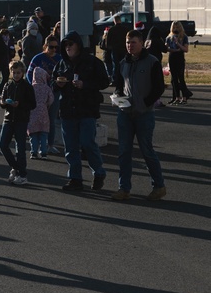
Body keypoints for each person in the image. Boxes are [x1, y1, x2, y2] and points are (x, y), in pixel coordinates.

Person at [111, 30, 167, 201]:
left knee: (147, 150)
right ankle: (124, 188)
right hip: (125, 114)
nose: (130, 45)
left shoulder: (152, 62)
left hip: (144, 114)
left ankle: (158, 186)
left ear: (142, 43)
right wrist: (118, 98)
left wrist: (145, 103)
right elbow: (118, 85)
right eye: (128, 42)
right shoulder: (123, 63)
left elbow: (159, 87)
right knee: (124, 151)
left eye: (133, 42)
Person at [53, 31, 110, 192]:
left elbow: (104, 81)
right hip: (67, 110)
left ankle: (98, 172)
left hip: (87, 109)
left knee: (87, 143)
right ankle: (75, 178)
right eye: (65, 45)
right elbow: (52, 83)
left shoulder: (92, 62)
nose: (68, 47)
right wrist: (58, 84)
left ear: (78, 45)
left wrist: (85, 84)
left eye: (71, 44)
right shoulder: (62, 64)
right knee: (70, 147)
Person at [0, 60, 36, 185]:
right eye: (14, 72)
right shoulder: (8, 85)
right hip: (8, 119)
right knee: (2, 145)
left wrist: (20, 104)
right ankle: (16, 167)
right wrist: (4, 103)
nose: (16, 75)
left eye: (18, 72)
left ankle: (22, 174)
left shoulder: (27, 86)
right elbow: (2, 102)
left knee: (20, 148)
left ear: (23, 73)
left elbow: (33, 104)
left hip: (21, 120)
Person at [28, 67, 54, 160]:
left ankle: (33, 152)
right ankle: (43, 153)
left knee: (33, 134)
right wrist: (46, 104)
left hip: (32, 113)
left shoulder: (31, 88)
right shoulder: (46, 88)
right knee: (43, 134)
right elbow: (51, 99)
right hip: (44, 113)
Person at [165, 21, 193, 105]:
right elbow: (166, 48)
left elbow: (186, 49)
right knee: (174, 79)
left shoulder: (184, 37)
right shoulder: (169, 37)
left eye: (177, 27)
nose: (175, 29)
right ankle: (176, 97)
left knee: (180, 78)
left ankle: (184, 97)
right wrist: (172, 48)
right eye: (174, 27)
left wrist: (178, 43)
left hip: (180, 58)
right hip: (172, 57)